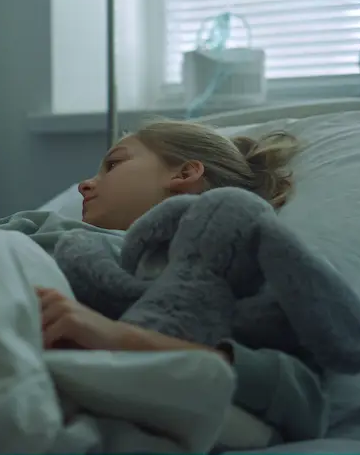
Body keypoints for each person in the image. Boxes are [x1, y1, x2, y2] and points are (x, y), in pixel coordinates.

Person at [35, 121, 326, 444]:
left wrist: (120, 339)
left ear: (185, 174)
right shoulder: (44, 227)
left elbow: (299, 397)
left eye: (114, 165)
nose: (84, 186)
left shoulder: (221, 271)